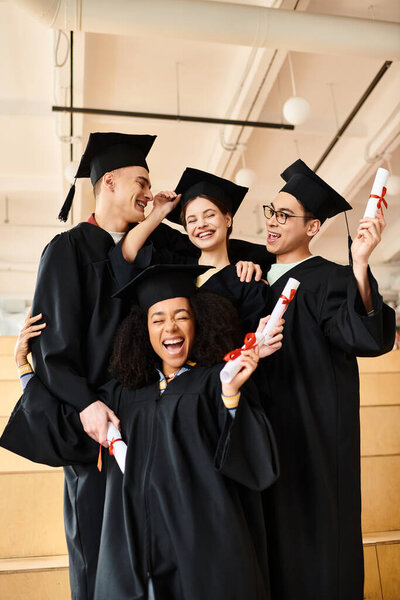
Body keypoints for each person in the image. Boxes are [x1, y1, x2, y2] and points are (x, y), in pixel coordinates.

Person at [7, 265, 283, 600]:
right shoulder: (124, 394)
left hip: (203, 549)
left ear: (198, 322)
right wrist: (25, 367)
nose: (171, 327)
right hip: (135, 552)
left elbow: (250, 454)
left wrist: (230, 396)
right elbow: (67, 428)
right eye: (158, 319)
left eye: (182, 316)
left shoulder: (216, 380)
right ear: (143, 330)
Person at [258, 159, 396, 600]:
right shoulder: (253, 278)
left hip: (310, 444)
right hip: (260, 443)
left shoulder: (330, 280)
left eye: (285, 215)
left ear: (313, 226)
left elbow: (366, 337)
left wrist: (358, 264)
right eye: (271, 212)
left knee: (314, 560)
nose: (273, 223)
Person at [111, 167, 272, 332]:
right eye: (192, 220)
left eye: (209, 215)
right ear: (187, 229)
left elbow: (253, 341)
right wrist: (159, 212)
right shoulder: (175, 270)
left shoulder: (247, 282)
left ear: (228, 219)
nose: (201, 224)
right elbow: (126, 255)